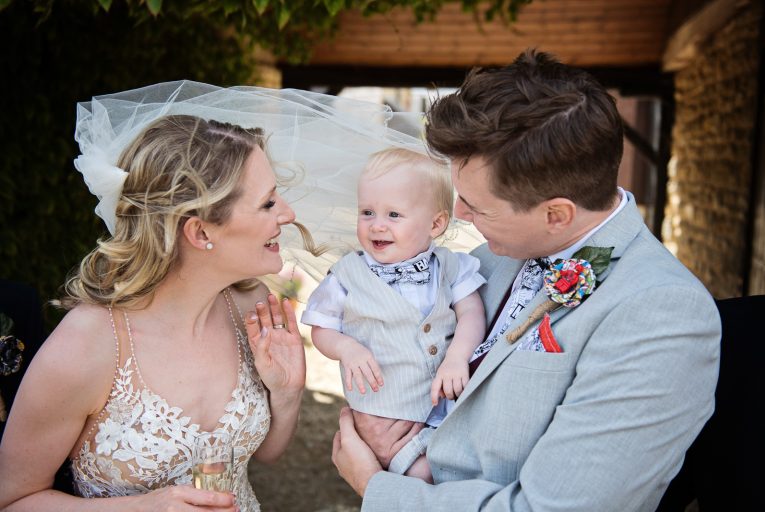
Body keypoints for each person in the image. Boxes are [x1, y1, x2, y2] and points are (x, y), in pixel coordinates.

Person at [331, 49, 721, 511]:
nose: (459, 214)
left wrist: (378, 488)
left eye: (478, 206)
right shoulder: (485, 259)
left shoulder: (663, 314)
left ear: (557, 214)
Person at [0, 110, 306, 510]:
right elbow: (13, 499)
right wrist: (141, 507)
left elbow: (266, 454)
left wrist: (287, 394)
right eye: (267, 203)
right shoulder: (85, 346)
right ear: (200, 231)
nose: (288, 213)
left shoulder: (252, 306)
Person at [301, 148, 486, 481]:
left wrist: (457, 357)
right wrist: (347, 348)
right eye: (367, 212)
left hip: (443, 406)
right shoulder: (347, 275)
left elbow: (472, 312)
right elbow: (322, 328)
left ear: (436, 223)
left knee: (455, 470)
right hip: (383, 414)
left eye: (394, 215)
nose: (377, 225)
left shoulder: (450, 266)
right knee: (420, 475)